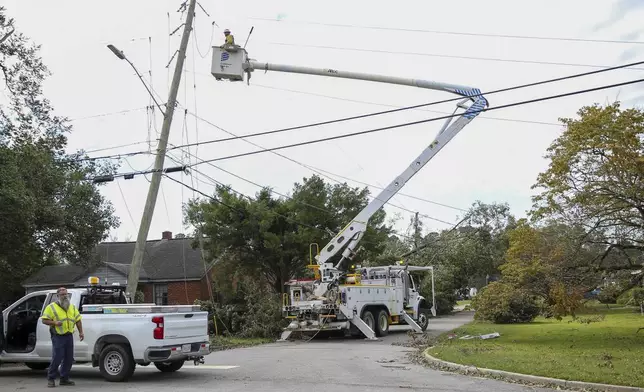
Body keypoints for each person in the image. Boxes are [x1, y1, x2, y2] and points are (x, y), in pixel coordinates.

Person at [41, 287, 84, 388]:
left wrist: (81, 332)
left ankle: (64, 379)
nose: (65, 296)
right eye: (62, 295)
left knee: (69, 359)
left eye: (66, 294)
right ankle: (51, 378)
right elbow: (44, 320)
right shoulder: (51, 307)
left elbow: (78, 320)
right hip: (58, 336)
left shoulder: (72, 307)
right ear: (58, 296)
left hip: (69, 335)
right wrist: (54, 322)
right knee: (57, 357)